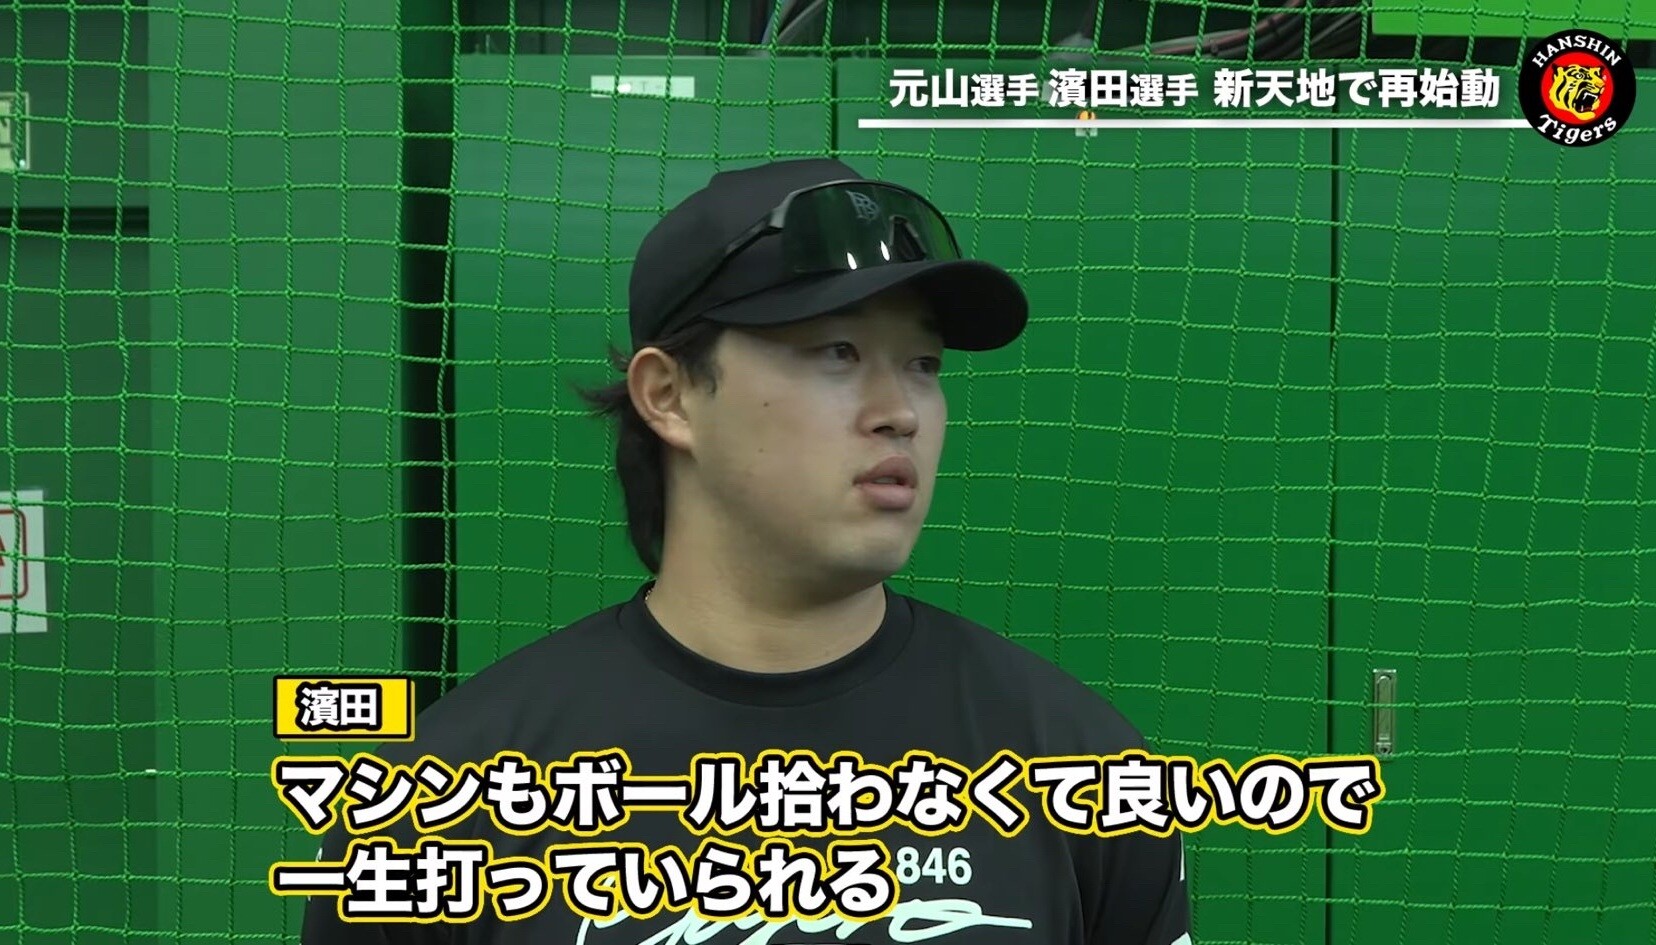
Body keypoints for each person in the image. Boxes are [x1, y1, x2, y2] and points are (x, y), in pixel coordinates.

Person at [300, 157, 1193, 944]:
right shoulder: (446, 797)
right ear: (670, 395)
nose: (901, 411)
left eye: (924, 365)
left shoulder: (1080, 768)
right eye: (837, 351)